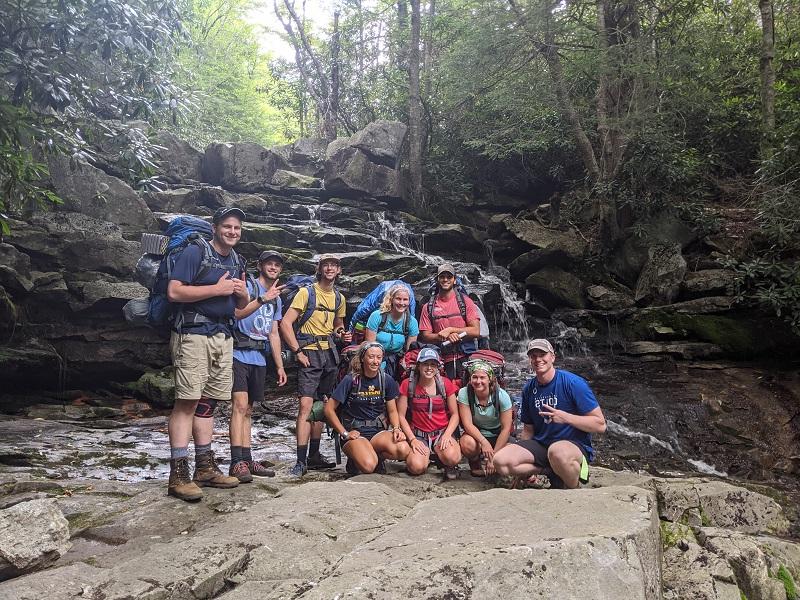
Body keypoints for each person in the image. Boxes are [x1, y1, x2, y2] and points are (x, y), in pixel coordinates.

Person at [165, 206, 249, 502]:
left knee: (208, 403)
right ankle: (178, 474)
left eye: (237, 228)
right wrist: (217, 289)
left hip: (222, 336)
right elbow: (174, 292)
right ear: (215, 227)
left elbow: (239, 307)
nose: (232, 232)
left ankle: (205, 467)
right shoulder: (195, 252)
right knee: (186, 401)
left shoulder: (237, 259)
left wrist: (242, 293)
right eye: (227, 226)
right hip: (193, 334)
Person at [493, 339, 607, 489]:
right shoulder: (529, 388)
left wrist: (565, 417)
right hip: (542, 445)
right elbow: (528, 430)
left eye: (542, 354)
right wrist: (522, 472)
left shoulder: (573, 383)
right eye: (533, 356)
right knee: (501, 461)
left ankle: (574, 488)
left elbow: (600, 425)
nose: (538, 359)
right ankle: (549, 471)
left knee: (557, 452)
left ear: (552, 357)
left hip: (573, 447)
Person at [280, 254, 351, 478]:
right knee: (305, 407)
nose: (329, 268)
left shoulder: (339, 298)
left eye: (334, 265)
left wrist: (342, 334)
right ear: (319, 269)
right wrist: (297, 352)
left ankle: (314, 455)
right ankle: (300, 461)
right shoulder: (306, 293)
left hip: (329, 354)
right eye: (325, 265)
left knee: (321, 407)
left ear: (339, 270)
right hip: (309, 352)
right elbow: (285, 323)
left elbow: (337, 325)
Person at [228, 250, 288, 483]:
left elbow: (274, 333)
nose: (273, 267)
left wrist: (280, 366)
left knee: (250, 409)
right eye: (269, 264)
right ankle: (236, 462)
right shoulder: (249, 286)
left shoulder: (278, 298)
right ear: (260, 265)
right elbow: (236, 313)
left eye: (277, 264)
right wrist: (263, 298)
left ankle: (247, 457)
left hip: (259, 357)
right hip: (237, 352)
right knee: (239, 405)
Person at [325, 341, 410, 474]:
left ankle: (375, 456)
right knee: (369, 466)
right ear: (363, 358)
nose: (375, 361)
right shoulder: (350, 380)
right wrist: (345, 433)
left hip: (377, 432)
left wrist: (396, 428)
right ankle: (357, 458)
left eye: (379, 357)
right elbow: (328, 410)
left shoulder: (386, 380)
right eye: (371, 357)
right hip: (355, 433)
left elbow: (392, 410)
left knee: (403, 449)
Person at [396, 347, 462, 479]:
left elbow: (455, 414)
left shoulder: (445, 384)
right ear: (419, 365)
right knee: (416, 467)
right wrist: (412, 439)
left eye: (433, 364)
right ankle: (427, 457)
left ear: (438, 367)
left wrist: (448, 435)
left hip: (441, 432)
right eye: (425, 364)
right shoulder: (407, 385)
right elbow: (401, 415)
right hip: (419, 434)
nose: (429, 368)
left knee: (453, 458)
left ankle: (443, 459)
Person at [418, 263, 481, 381]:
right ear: (437, 280)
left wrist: (451, 330)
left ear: (455, 280)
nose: (445, 279)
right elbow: (425, 336)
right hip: (441, 360)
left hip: (466, 358)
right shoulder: (428, 307)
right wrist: (444, 337)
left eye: (449, 277)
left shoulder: (466, 302)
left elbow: (476, 331)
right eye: (442, 277)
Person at [457, 360, 514, 477]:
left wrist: (494, 457)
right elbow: (467, 424)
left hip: (498, 434)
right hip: (477, 434)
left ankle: (495, 464)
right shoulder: (464, 393)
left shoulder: (502, 396)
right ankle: (475, 463)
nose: (478, 381)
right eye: (475, 377)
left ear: (490, 379)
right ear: (470, 379)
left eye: (482, 377)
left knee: (511, 452)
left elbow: (506, 429)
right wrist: (484, 442)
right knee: (467, 443)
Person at [363, 284, 419, 378]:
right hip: (376, 358)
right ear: (391, 299)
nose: (402, 303)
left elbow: (410, 351)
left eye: (405, 299)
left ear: (409, 301)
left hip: (397, 360)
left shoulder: (411, 322)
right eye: (398, 299)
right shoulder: (377, 316)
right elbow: (369, 346)